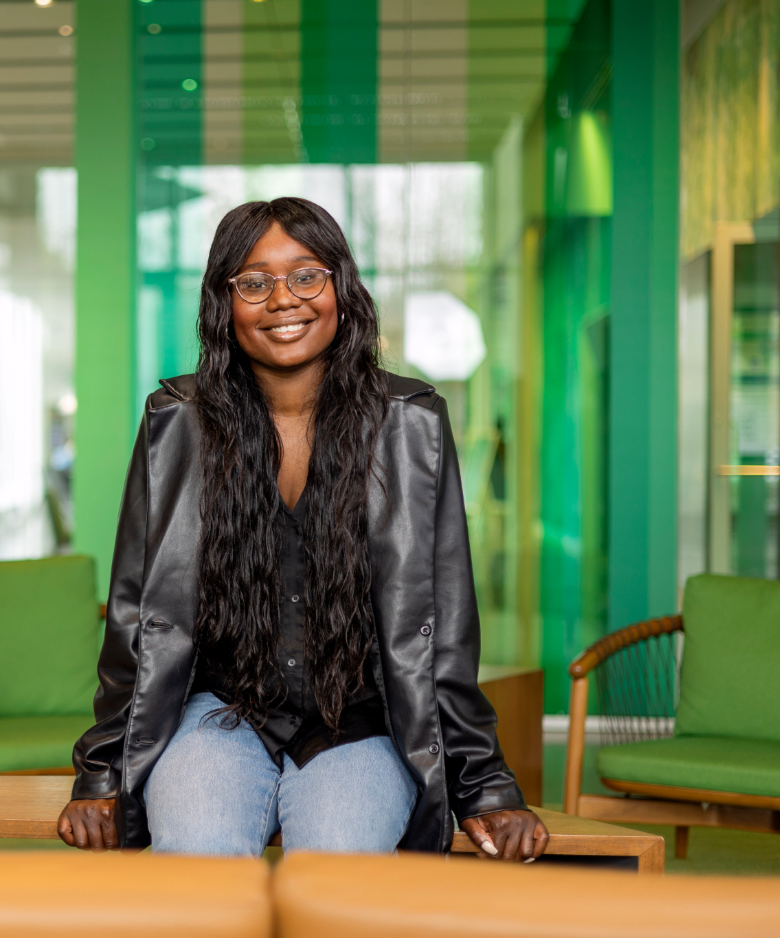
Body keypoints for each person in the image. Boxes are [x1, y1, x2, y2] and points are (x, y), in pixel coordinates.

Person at [57, 197, 549, 860]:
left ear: (341, 288)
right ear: (224, 304)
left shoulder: (411, 423)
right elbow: (139, 615)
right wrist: (101, 773)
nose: (282, 299)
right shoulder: (177, 420)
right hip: (221, 710)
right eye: (254, 282)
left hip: (363, 722)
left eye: (306, 276)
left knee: (337, 867)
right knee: (197, 855)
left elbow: (443, 627)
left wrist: (486, 786)